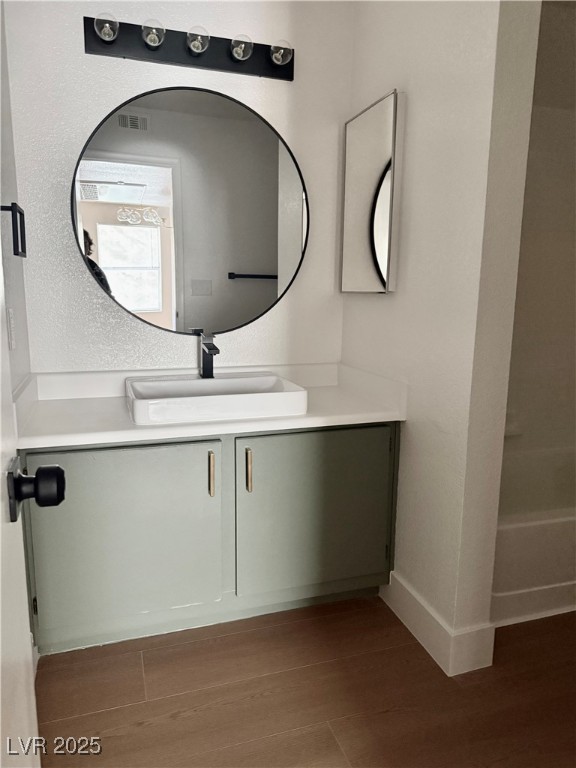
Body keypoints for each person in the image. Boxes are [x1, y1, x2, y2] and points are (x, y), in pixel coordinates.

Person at [83, 229, 113, 296]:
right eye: (81, 243)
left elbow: (106, 293)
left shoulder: (93, 267)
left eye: (85, 243)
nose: (83, 247)